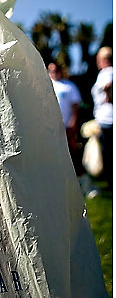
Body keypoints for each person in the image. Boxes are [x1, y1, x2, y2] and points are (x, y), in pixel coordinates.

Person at [48, 60, 95, 195]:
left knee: (74, 156)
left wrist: (73, 123)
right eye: (51, 71)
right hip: (52, 129)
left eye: (55, 70)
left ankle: (86, 185)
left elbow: (75, 107)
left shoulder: (69, 86)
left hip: (67, 127)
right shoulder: (46, 86)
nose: (53, 73)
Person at [91, 46, 113, 186]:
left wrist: (108, 94)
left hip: (108, 118)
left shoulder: (107, 72)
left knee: (109, 151)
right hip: (106, 117)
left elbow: (109, 84)